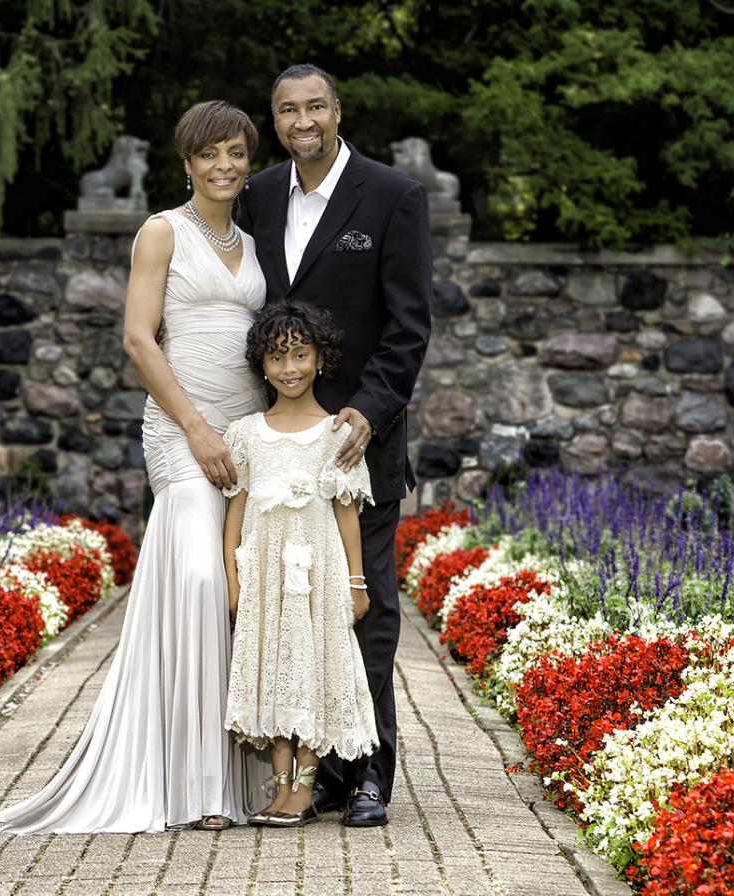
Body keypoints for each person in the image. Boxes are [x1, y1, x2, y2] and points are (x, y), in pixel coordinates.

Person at [0, 100, 267, 834]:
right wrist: (198, 429)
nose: (224, 165)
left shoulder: (256, 241)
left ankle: (235, 775)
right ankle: (193, 784)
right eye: (210, 154)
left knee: (238, 590)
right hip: (183, 432)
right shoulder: (160, 232)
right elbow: (141, 342)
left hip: (247, 435)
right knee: (200, 579)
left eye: (236, 152)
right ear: (186, 162)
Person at [237, 63, 432, 827]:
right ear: (276, 119)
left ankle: (372, 772)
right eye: (288, 109)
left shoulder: (392, 197)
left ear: (338, 111)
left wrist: (366, 413)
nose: (303, 120)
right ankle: (316, 770)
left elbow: (409, 326)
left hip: (358, 448)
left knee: (367, 611)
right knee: (293, 619)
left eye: (315, 106)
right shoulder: (255, 196)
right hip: (281, 455)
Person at [222, 302, 378, 828]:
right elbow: (235, 512)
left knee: (312, 669)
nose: (289, 368)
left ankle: (304, 790)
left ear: (319, 359)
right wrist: (232, 578)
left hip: (318, 576)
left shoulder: (337, 433)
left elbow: (347, 514)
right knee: (274, 672)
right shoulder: (245, 434)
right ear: (261, 366)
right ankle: (279, 787)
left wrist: (356, 583)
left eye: (300, 355)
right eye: (277, 357)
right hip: (266, 577)